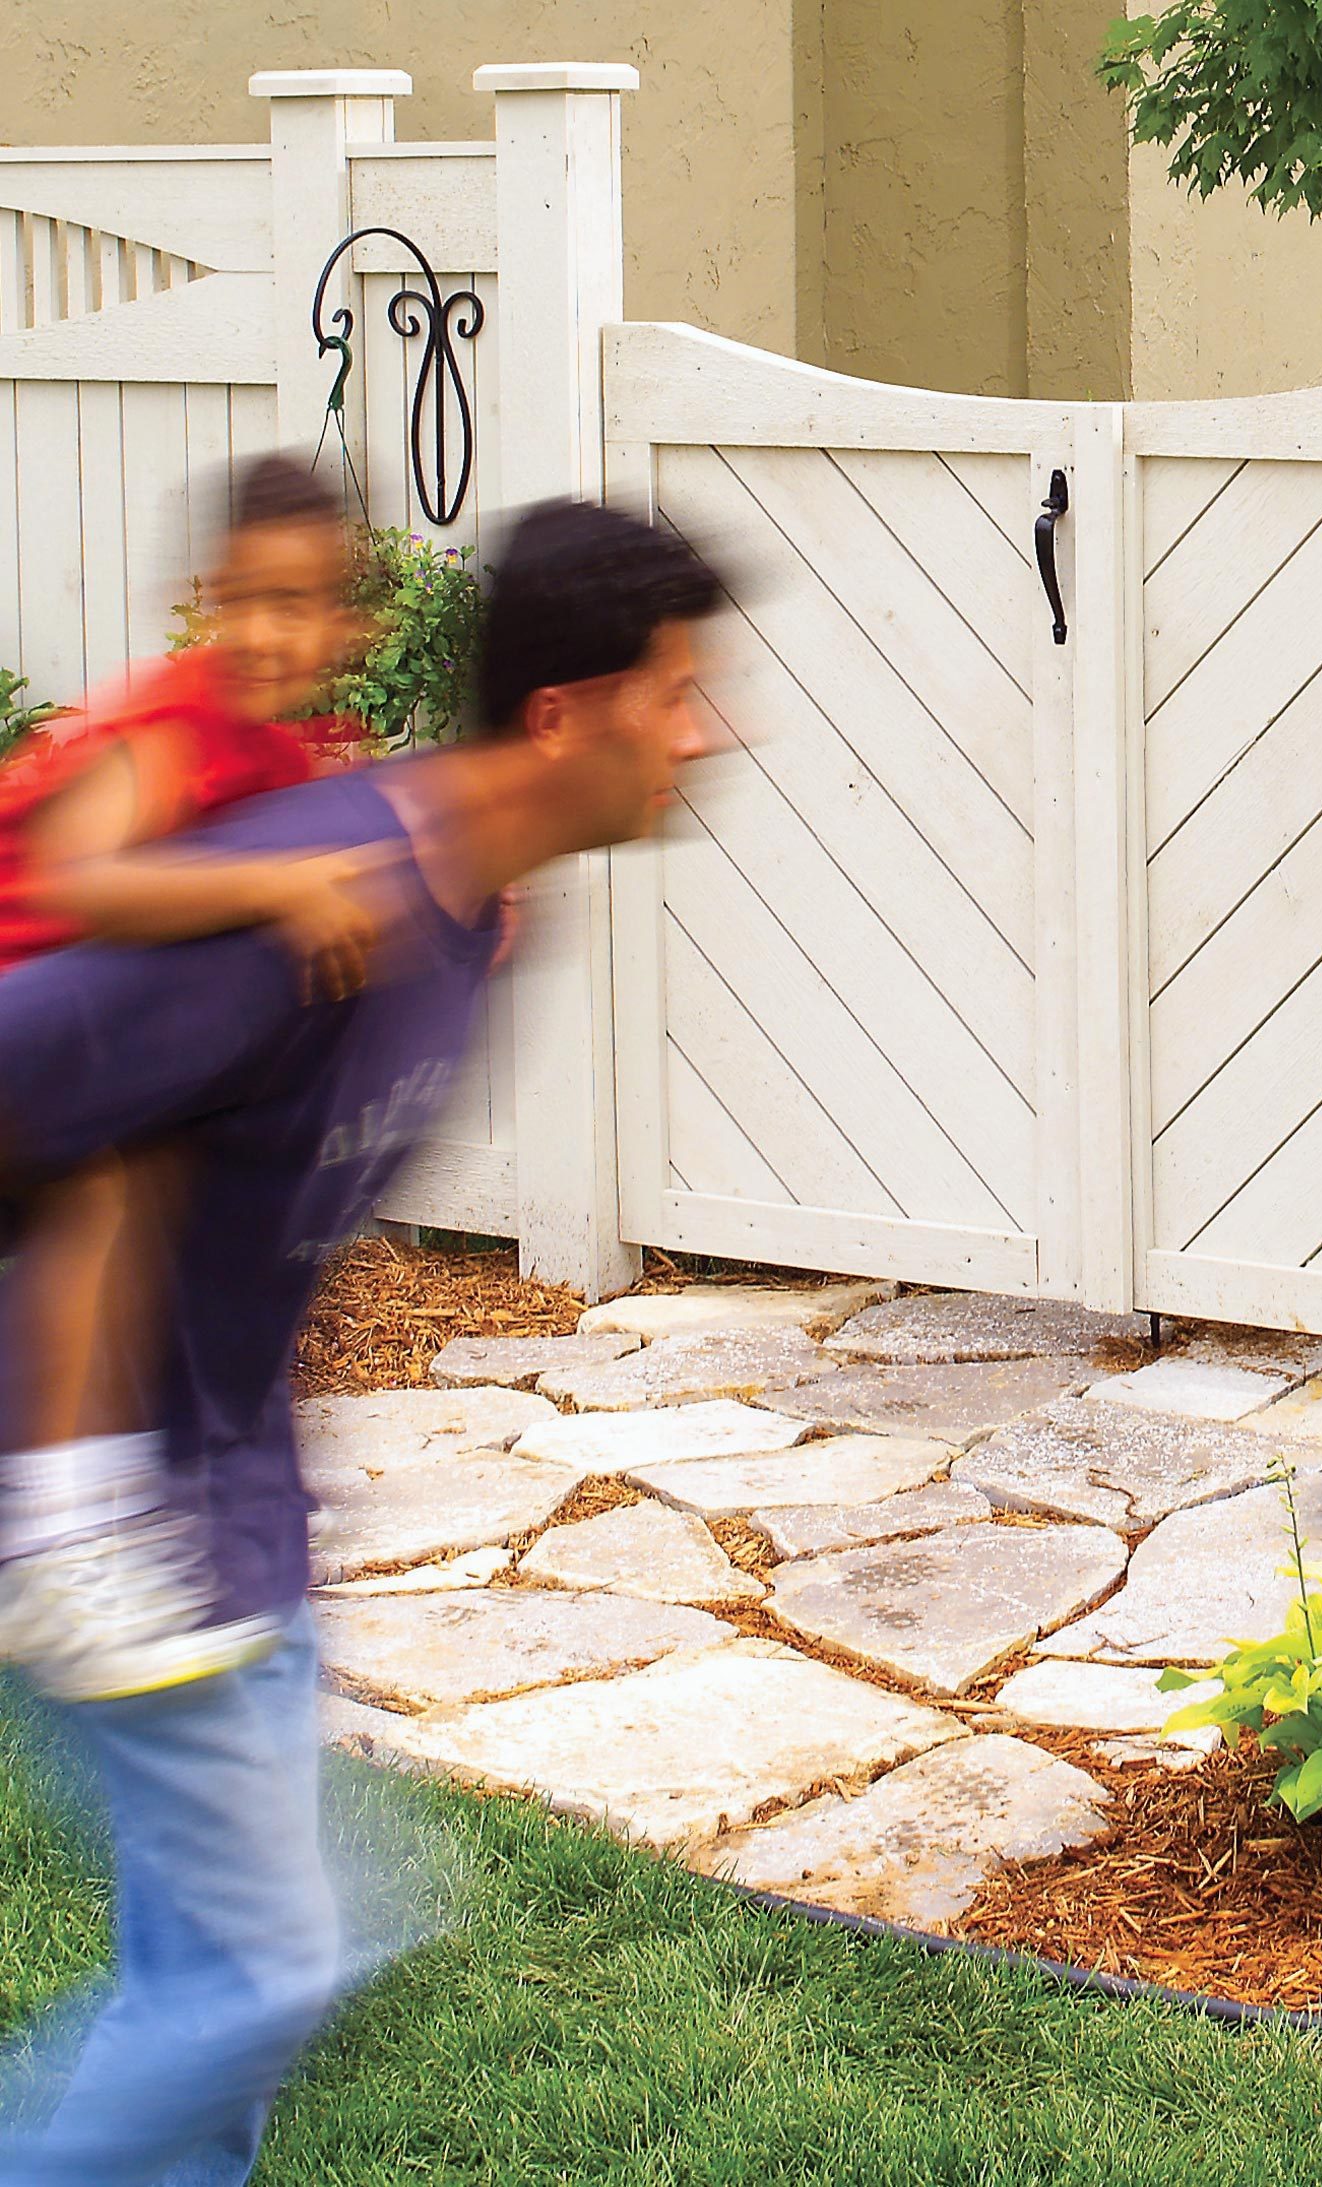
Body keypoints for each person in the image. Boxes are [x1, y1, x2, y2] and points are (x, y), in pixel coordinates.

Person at [0, 497, 724, 2187]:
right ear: (564, 714)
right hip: (88, 1498)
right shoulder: (308, 907)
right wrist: (73, 1482)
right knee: (259, 1968)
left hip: (225, 1497)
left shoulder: (477, 919)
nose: (709, 731)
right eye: (676, 690)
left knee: (220, 1993)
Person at [0, 453, 386, 1698]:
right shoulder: (174, 723)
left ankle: (122, 1499)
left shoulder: (289, 754)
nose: (274, 632)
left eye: (306, 603)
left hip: (92, 1048)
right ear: (208, 600)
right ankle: (54, 1543)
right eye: (251, 601)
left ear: (349, 620)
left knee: (167, 1186)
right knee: (115, 1183)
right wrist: (275, 884)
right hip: (29, 1037)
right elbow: (81, 877)